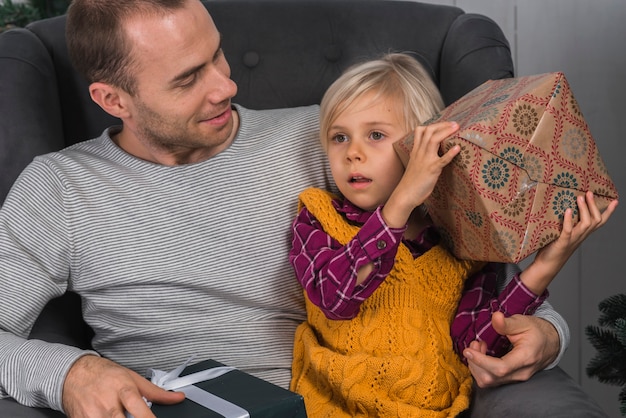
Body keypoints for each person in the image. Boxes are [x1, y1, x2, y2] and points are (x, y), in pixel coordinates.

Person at [0, 0, 611, 417]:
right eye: (188, 79)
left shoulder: (327, 141)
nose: (225, 85)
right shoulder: (60, 189)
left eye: (218, 54)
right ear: (113, 100)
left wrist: (548, 336)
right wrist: (69, 374)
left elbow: (457, 268)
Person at [288, 54, 618, 417]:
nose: (353, 153)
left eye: (376, 135)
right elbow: (335, 297)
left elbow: (478, 347)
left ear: (421, 148)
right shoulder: (318, 216)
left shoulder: (459, 240)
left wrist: (546, 266)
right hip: (333, 406)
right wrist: (399, 203)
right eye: (339, 137)